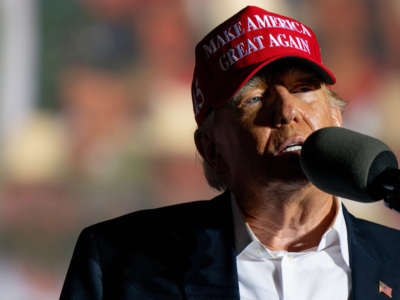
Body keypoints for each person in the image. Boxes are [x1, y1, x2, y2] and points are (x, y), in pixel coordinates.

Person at [60, 6, 400, 300]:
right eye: (254, 99)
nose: (286, 110)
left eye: (303, 88)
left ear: (337, 117)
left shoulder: (395, 260)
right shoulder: (119, 263)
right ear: (211, 148)